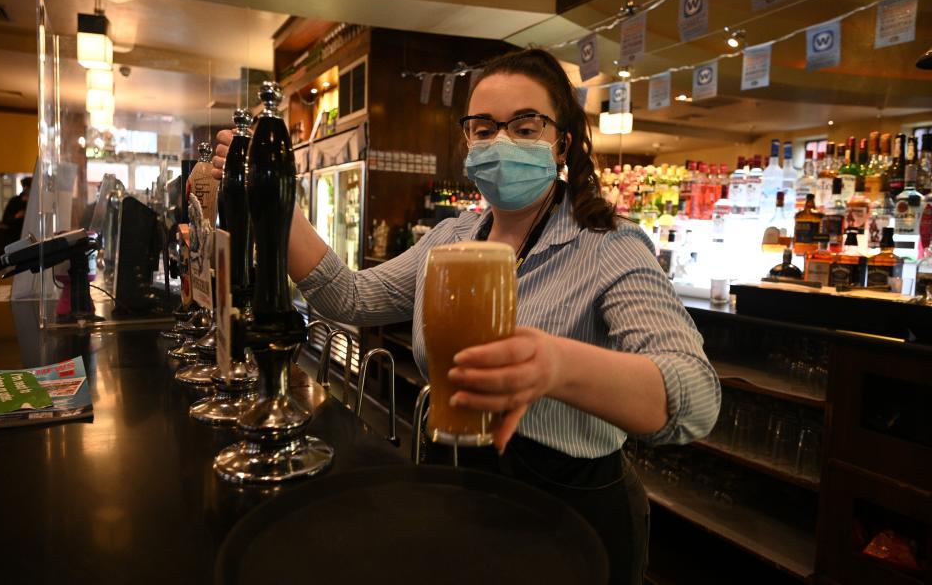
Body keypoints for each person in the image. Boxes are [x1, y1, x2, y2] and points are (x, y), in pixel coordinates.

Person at [213, 48, 720, 585]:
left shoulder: (609, 244)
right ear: (467, 141)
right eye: (483, 129)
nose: (500, 143)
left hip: (567, 510)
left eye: (525, 127)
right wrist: (272, 194)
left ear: (562, 143)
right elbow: (350, 298)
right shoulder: (452, 237)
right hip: (454, 487)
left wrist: (556, 365)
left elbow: (696, 398)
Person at [2, 176, 31, 242]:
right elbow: (5, 220)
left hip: (31, 235)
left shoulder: (35, 201)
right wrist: (17, 216)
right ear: (25, 187)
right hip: (15, 237)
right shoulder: (14, 201)